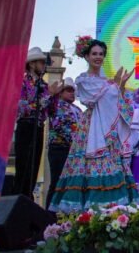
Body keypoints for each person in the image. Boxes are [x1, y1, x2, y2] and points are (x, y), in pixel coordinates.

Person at [49, 39, 139, 212]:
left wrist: (121, 87)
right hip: (91, 128)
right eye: (94, 54)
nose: (98, 57)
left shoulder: (108, 82)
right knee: (87, 166)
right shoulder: (83, 80)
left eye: (101, 54)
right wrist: (114, 87)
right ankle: (85, 213)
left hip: (108, 130)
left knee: (112, 163)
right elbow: (91, 98)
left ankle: (112, 211)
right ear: (87, 57)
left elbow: (121, 104)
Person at [14, 47, 62, 199]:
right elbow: (23, 109)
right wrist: (50, 95)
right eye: (41, 62)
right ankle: (19, 197)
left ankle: (28, 197)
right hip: (25, 125)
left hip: (39, 127)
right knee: (23, 165)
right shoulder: (22, 83)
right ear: (32, 64)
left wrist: (54, 96)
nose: (43, 66)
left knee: (34, 164)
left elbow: (52, 111)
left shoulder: (44, 86)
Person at [45, 78, 81, 209]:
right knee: (57, 181)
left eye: (73, 91)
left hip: (74, 151)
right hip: (59, 148)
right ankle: (49, 214)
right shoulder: (56, 105)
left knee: (71, 183)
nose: (72, 93)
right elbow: (57, 123)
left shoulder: (77, 109)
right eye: (68, 90)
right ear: (60, 92)